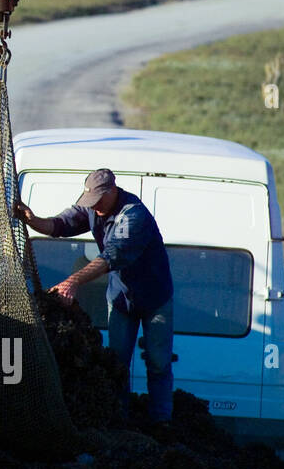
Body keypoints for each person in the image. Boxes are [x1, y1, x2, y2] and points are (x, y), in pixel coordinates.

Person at [13, 168, 175, 423]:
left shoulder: (133, 215)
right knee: (117, 363)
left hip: (155, 299)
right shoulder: (93, 206)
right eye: (90, 202)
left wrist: (72, 281)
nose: (94, 207)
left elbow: (111, 257)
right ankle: (119, 420)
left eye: (99, 201)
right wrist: (33, 220)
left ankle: (161, 421)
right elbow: (59, 225)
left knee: (158, 361)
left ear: (112, 191)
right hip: (122, 300)